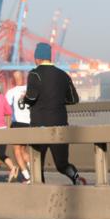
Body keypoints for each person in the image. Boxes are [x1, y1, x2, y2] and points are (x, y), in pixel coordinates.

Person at [24, 43, 87, 185]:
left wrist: (25, 99)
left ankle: (41, 191)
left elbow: (31, 97)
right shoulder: (63, 75)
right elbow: (73, 99)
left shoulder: (34, 74)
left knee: (37, 163)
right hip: (60, 123)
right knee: (61, 163)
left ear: (37, 58)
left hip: (39, 125)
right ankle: (76, 178)